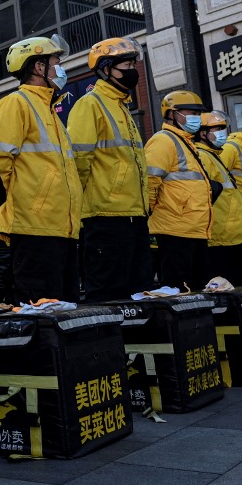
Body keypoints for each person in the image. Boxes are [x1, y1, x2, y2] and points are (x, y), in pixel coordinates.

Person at [0, 35, 81, 303]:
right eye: (56, 62)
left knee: (66, 310)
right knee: (40, 309)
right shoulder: (16, 103)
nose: (61, 69)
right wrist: (15, 209)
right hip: (35, 230)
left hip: (62, 229)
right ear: (39, 67)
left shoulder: (50, 110)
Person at [67, 37, 151, 301]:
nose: (131, 70)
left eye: (132, 63)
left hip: (134, 215)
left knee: (139, 291)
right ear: (105, 69)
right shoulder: (90, 104)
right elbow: (79, 160)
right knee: (108, 292)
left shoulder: (122, 108)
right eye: (125, 64)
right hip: (105, 216)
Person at [144, 90, 212, 290]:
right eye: (191, 112)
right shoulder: (163, 141)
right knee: (179, 291)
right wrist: (152, 213)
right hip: (175, 230)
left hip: (194, 229)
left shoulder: (188, 143)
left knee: (196, 290)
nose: (196, 118)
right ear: (172, 114)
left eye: (198, 114)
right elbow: (150, 181)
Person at [195, 112, 242, 286]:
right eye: (217, 129)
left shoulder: (214, 156)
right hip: (221, 240)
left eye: (223, 128)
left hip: (234, 237)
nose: (222, 133)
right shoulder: (203, 156)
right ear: (203, 133)